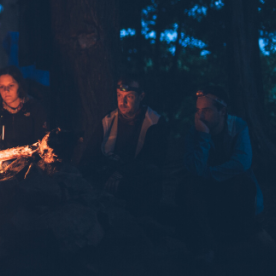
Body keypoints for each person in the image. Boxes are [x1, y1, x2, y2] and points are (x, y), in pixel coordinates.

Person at [177, 85, 264, 264]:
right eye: (198, 110)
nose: (200, 116)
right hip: (207, 190)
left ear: (222, 111)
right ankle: (206, 247)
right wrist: (203, 137)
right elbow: (194, 169)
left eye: (207, 110)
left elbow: (242, 162)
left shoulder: (238, 127)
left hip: (231, 186)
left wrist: (209, 173)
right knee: (186, 186)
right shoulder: (195, 131)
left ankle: (242, 238)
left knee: (243, 182)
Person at [81, 74, 167, 215]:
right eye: (119, 95)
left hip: (136, 180)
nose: (123, 101)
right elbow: (89, 155)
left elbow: (154, 161)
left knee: (150, 176)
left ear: (141, 96)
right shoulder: (108, 120)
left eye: (130, 97)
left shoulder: (154, 123)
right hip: (108, 176)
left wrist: (122, 173)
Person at [0, 66, 49, 154]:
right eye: (2, 87)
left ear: (19, 85)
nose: (6, 90)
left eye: (11, 85)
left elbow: (43, 141)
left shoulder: (35, 109)